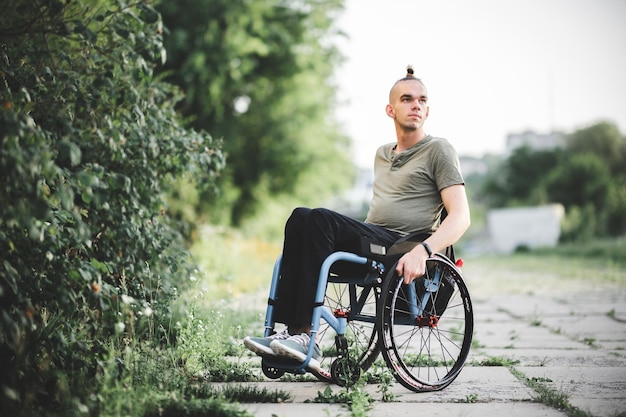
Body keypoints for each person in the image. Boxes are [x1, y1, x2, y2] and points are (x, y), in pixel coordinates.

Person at [243, 66, 471, 373]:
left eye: (421, 100)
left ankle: (302, 334)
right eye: (406, 99)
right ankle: (283, 332)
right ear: (391, 109)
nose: (415, 104)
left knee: (321, 219)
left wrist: (424, 251)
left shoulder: (438, 150)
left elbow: (461, 217)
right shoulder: (382, 154)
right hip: (374, 236)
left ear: (428, 109)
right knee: (300, 217)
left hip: (401, 245)